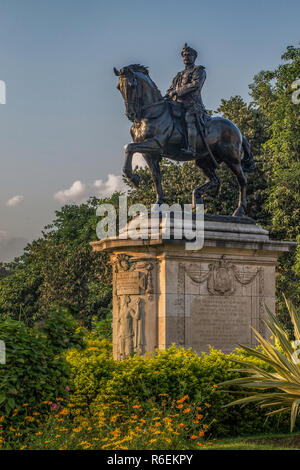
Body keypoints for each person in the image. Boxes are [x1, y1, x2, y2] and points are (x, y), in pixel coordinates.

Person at [166, 43, 209, 157]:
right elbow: (171, 88)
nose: (186, 57)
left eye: (188, 55)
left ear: (194, 57)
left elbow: (195, 85)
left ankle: (191, 148)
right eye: (184, 55)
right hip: (178, 105)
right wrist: (168, 94)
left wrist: (176, 92)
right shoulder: (179, 74)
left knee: (189, 119)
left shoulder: (198, 71)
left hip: (193, 105)